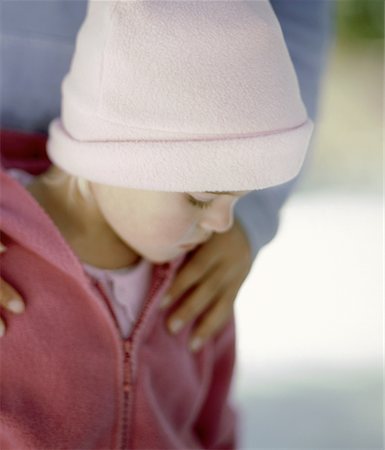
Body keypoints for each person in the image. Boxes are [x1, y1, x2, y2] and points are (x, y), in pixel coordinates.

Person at [0, 1, 313, 448]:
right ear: (108, 157)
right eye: (200, 198)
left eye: (239, 199)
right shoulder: (7, 257)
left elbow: (213, 428)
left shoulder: (197, 286)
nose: (224, 225)